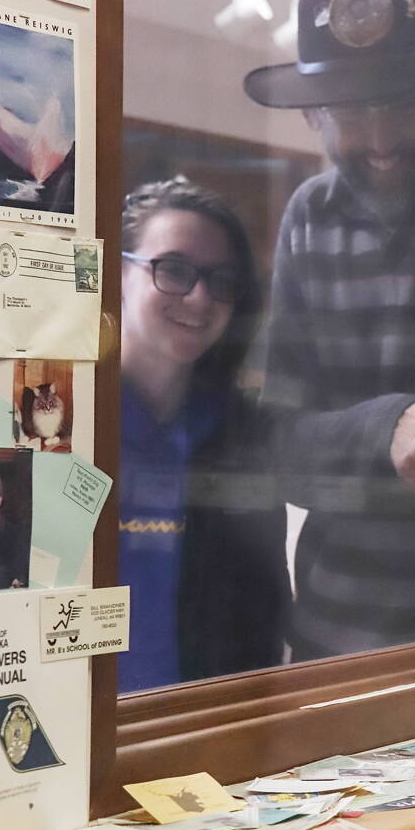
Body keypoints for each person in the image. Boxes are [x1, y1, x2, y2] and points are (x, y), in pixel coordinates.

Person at [243, 0, 415, 660]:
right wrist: (388, 427)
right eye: (353, 111)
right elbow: (278, 443)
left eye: (401, 102)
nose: (383, 141)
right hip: (340, 640)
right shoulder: (307, 218)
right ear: (309, 114)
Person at [116, 177, 286, 691]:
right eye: (173, 269)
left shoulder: (241, 437)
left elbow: (260, 619)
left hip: (201, 737)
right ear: (117, 271)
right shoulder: (58, 425)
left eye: (221, 280)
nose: (199, 297)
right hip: (71, 736)